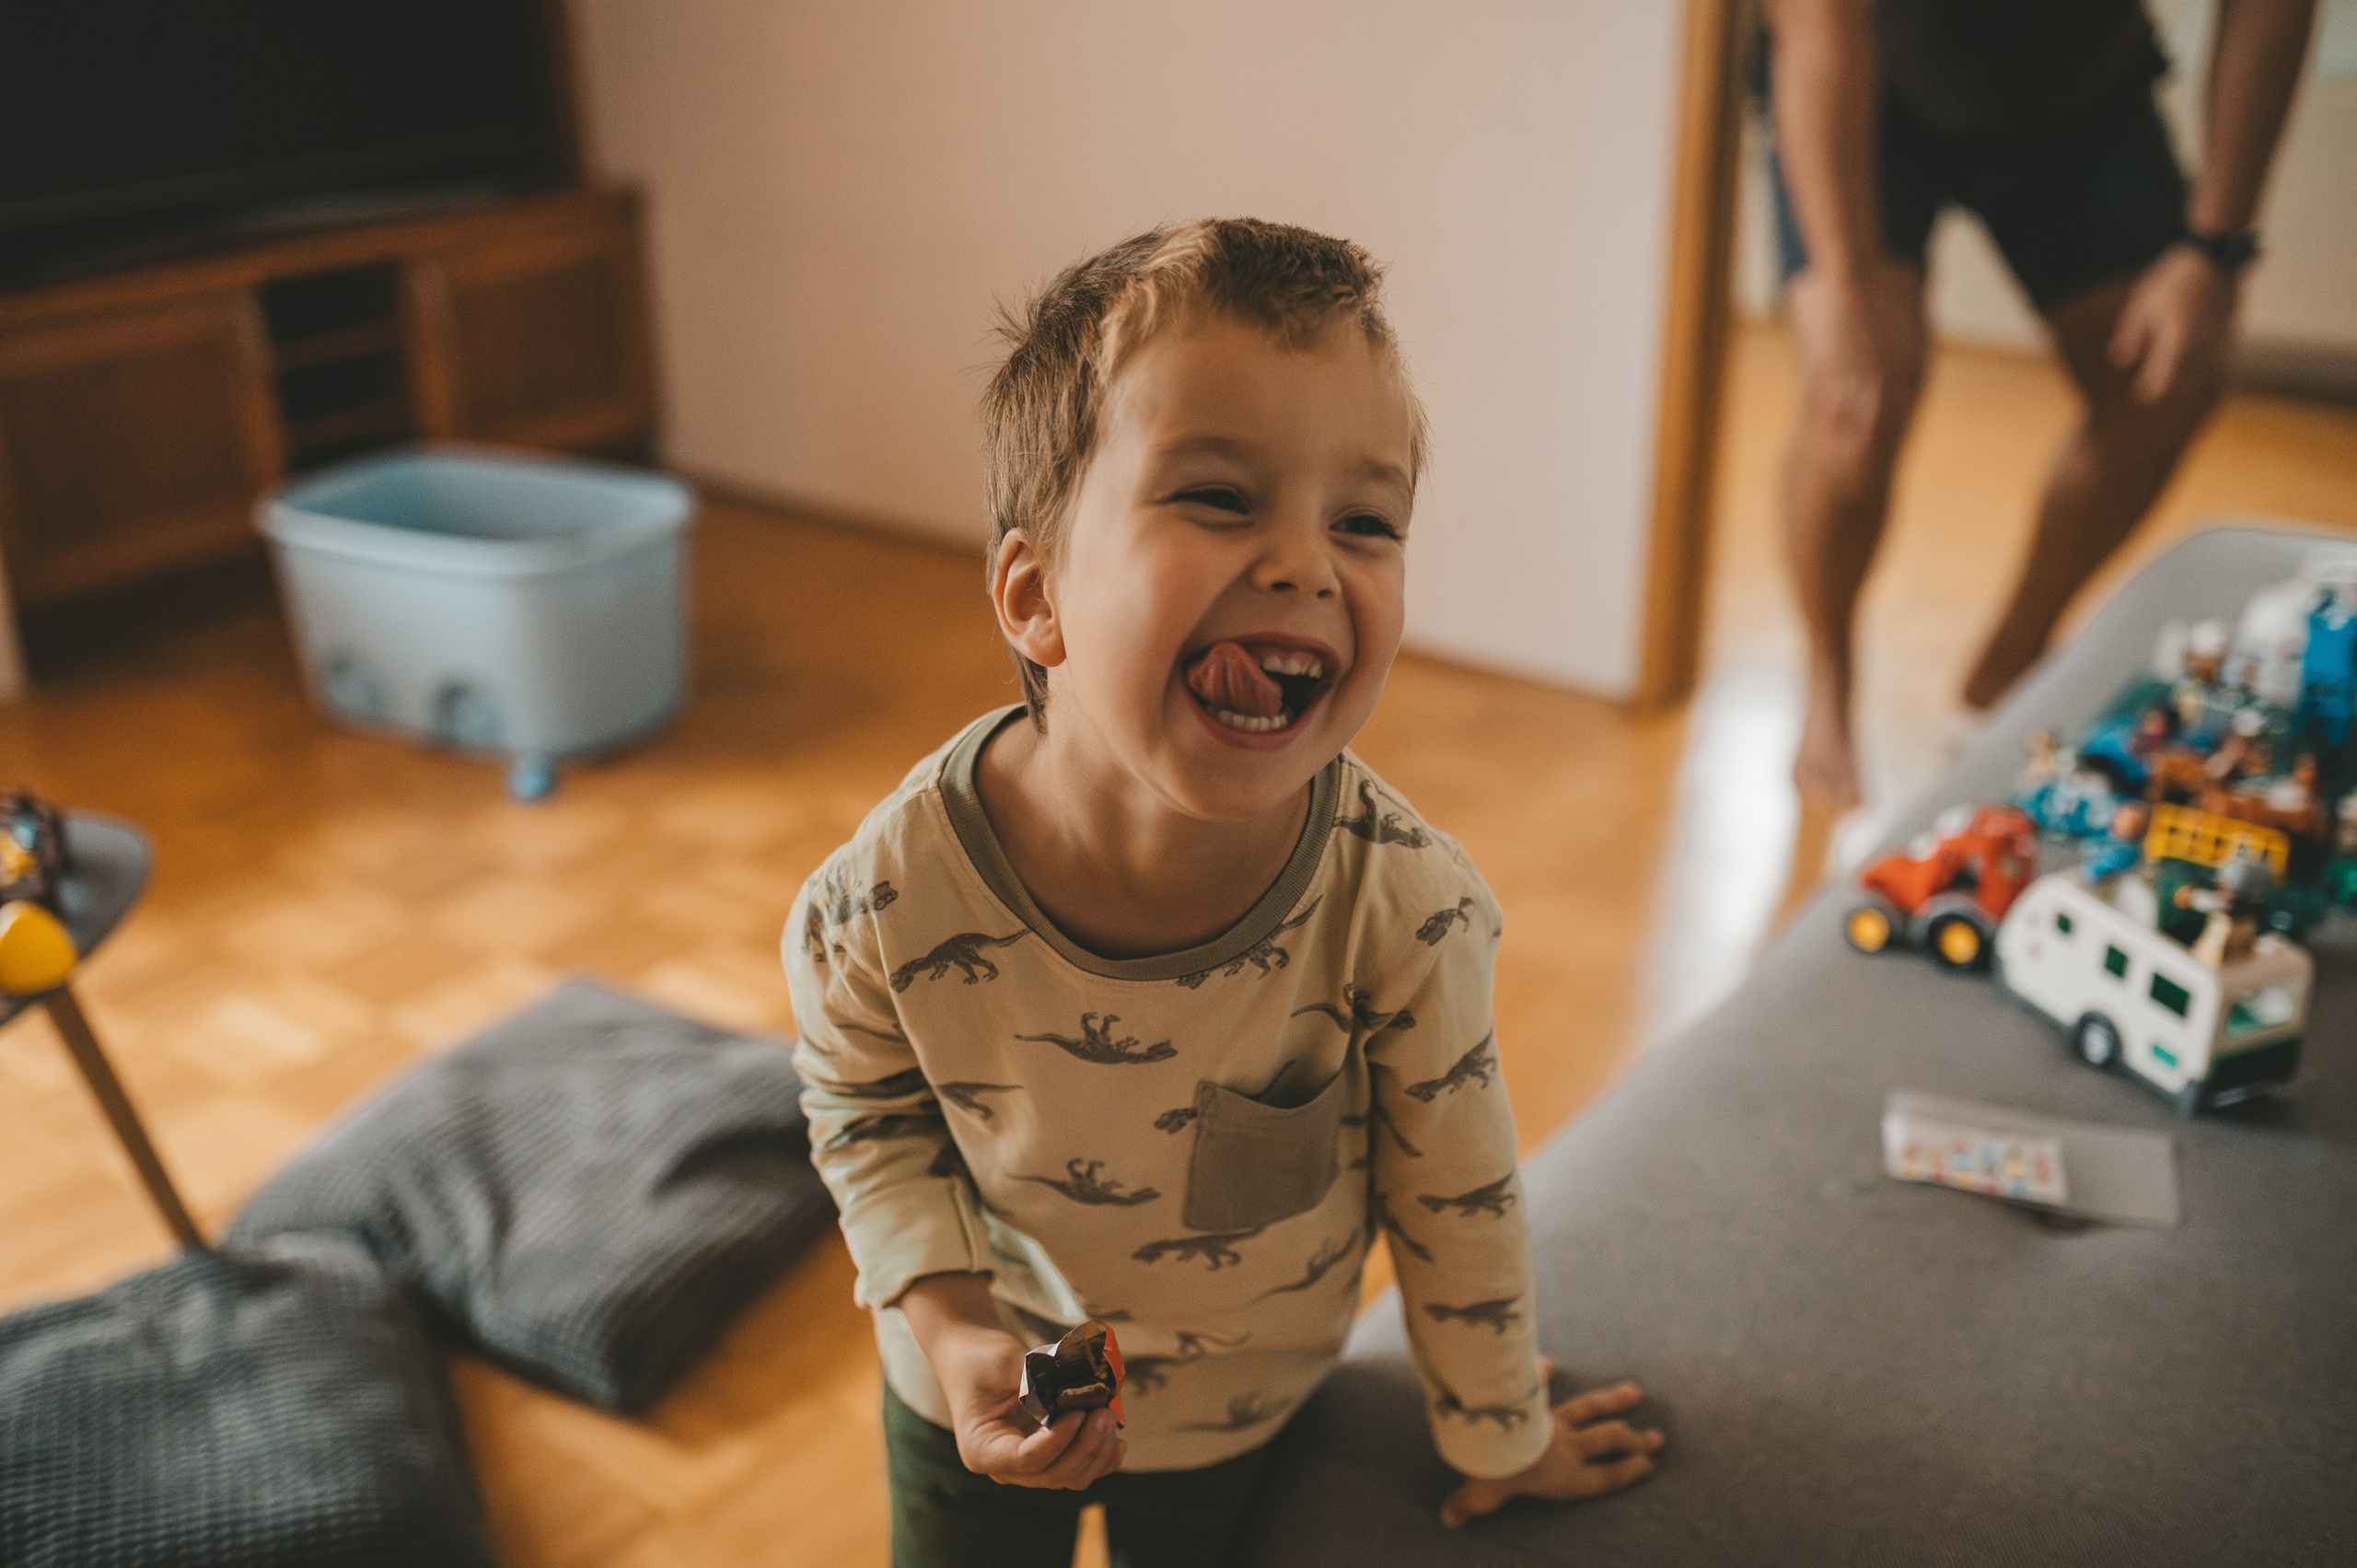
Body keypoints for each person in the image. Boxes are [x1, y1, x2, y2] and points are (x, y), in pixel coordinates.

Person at [785, 220, 1662, 1567]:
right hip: (970, 1389)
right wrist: (956, 1331)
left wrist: (1502, 1430)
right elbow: (865, 1110)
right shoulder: (881, 903)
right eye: (1218, 496)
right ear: (1037, 595)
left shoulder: (1406, 912)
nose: (1310, 562)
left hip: (1240, 1417)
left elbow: (1459, 1191)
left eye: (1364, 521)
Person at [1763, 0, 2317, 806]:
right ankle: (1825, 676)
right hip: (1868, 86)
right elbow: (1817, 31)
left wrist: (2214, 252)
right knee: (1856, 405)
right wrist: (1844, 285)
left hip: (2077, 91)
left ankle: (2010, 665)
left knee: (2168, 379)